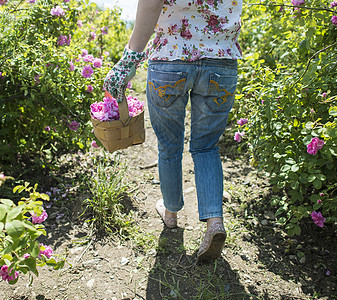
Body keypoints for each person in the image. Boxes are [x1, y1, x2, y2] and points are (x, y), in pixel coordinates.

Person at [104, 0, 243, 262]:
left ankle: (170, 214)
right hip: (221, 62)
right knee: (206, 146)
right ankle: (214, 222)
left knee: (170, 145)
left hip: (170, 59)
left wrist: (128, 60)